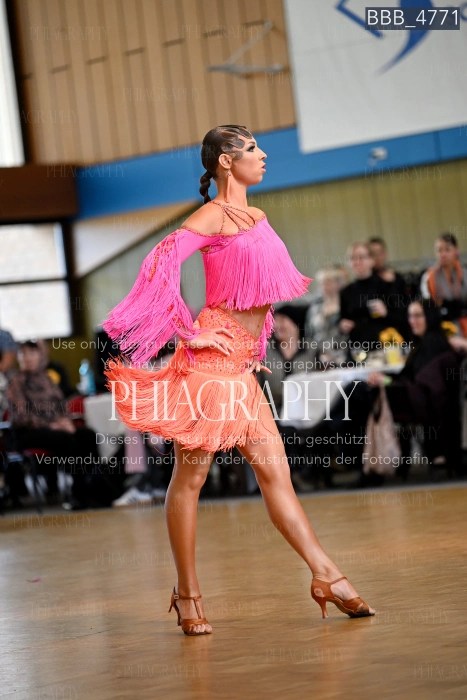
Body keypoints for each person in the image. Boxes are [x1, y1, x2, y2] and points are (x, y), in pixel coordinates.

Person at [103, 125, 375, 636]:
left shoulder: (258, 217)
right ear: (226, 162)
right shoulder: (212, 216)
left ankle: (326, 574)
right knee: (191, 479)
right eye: (252, 149)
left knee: (277, 477)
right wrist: (189, 332)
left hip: (242, 368)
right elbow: (161, 260)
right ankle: (188, 594)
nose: (263, 155)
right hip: (211, 366)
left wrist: (253, 347)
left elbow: (259, 293)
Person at [367, 299, 462, 473]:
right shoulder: (424, 342)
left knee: (362, 396)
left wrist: (385, 381)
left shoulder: (432, 344)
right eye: (410, 316)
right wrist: (384, 379)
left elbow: (420, 386)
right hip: (418, 399)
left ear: (430, 317)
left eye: (418, 316)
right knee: (360, 392)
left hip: (421, 403)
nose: (412, 321)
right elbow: (409, 377)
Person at [6, 340, 100, 509]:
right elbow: (22, 416)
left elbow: (62, 406)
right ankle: (77, 494)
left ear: (40, 356)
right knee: (66, 439)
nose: (27, 358)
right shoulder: (16, 382)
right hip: (27, 432)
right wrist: (51, 425)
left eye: (32, 353)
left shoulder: (47, 379)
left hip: (54, 428)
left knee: (87, 435)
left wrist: (66, 422)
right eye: (23, 354)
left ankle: (93, 488)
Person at [339, 241, 407, 356]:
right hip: (359, 350)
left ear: (371, 260)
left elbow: (403, 318)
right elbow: (343, 320)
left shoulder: (387, 286)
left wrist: (386, 312)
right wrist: (342, 325)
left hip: (385, 347)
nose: (357, 262)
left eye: (361, 257)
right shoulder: (346, 292)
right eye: (353, 258)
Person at [420, 232, 467, 334]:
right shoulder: (428, 277)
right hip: (442, 326)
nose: (443, 254)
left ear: (456, 251)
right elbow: (428, 305)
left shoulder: (465, 274)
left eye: (447, 249)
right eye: (439, 250)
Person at [305, 266, 349, 367]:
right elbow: (309, 333)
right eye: (322, 283)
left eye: (328, 282)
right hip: (319, 356)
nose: (324, 286)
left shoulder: (346, 306)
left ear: (338, 284)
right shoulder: (315, 308)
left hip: (343, 355)